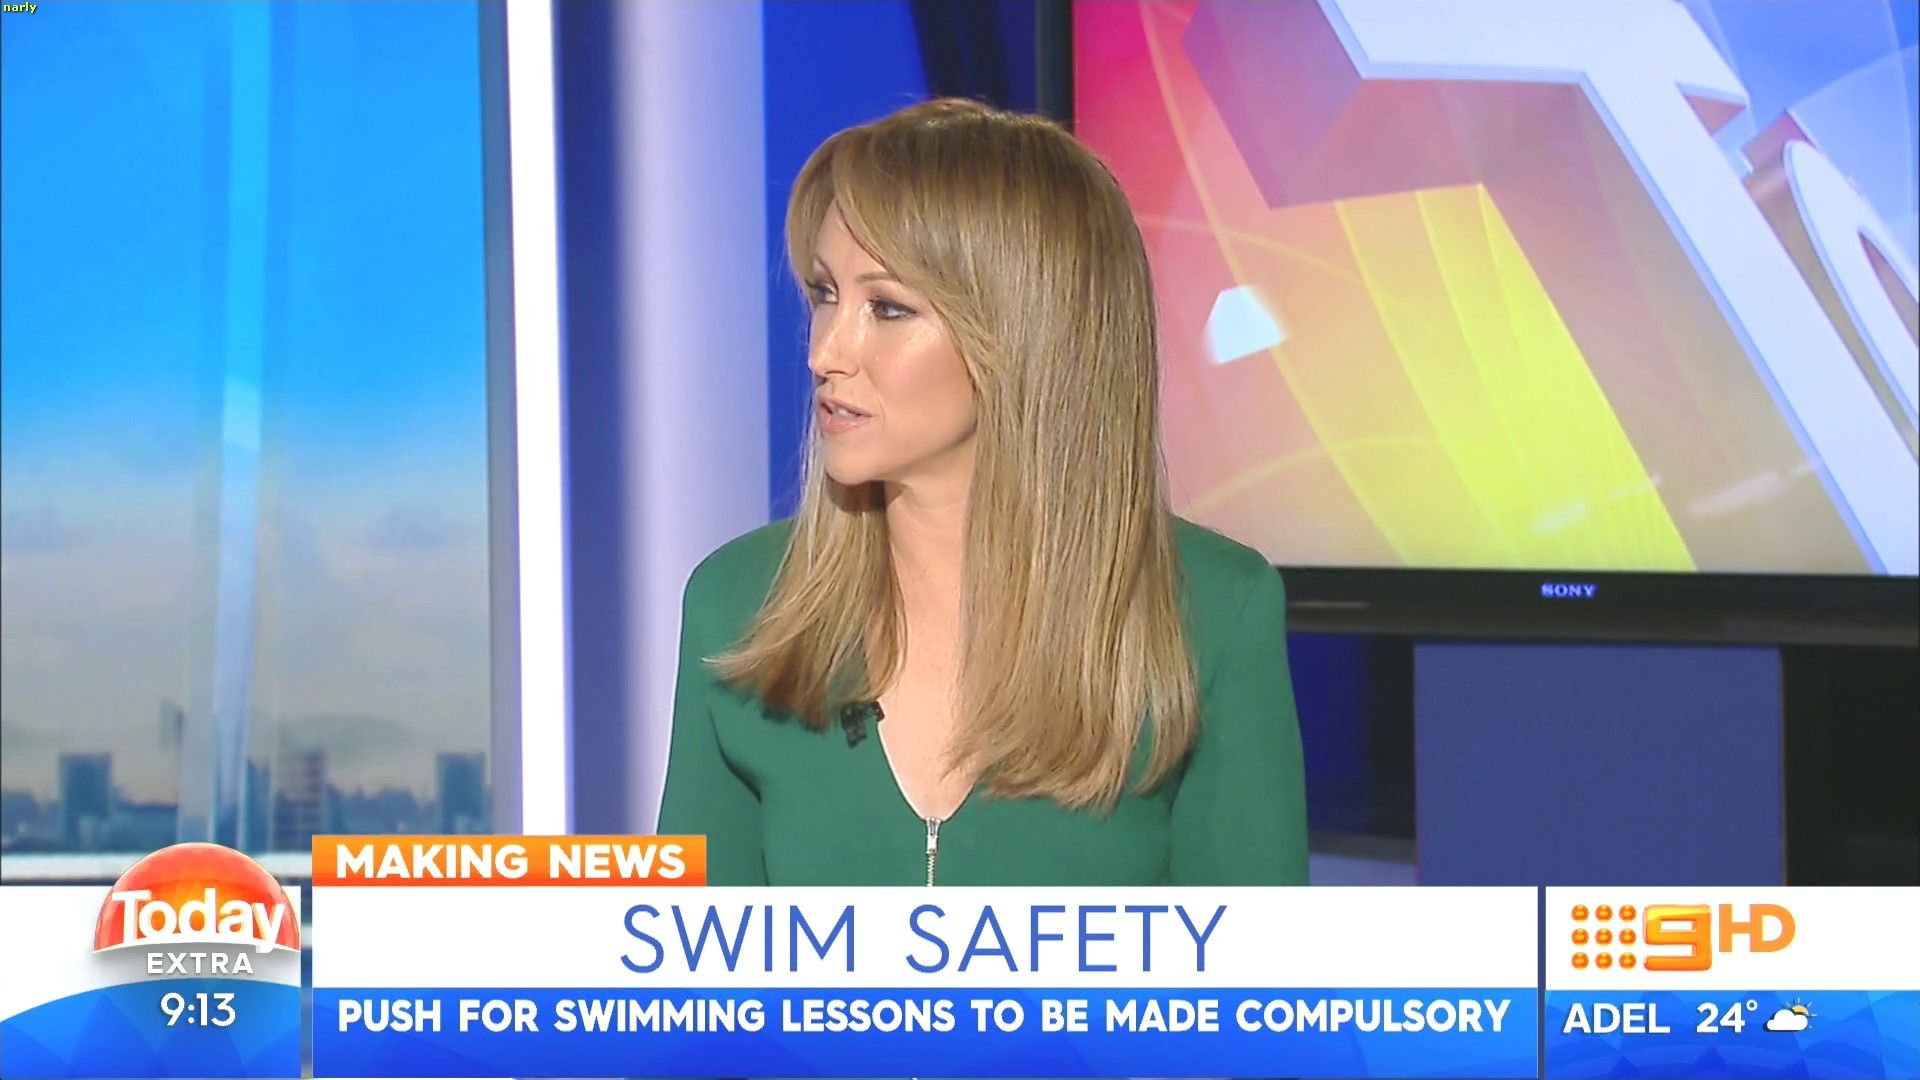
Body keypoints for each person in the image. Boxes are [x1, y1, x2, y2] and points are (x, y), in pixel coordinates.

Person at [657, 98, 1305, 888]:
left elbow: (1254, 968)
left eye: (887, 308)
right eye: (826, 295)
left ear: (1025, 334)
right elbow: (688, 960)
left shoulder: (1213, 615)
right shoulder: (738, 605)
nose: (827, 351)